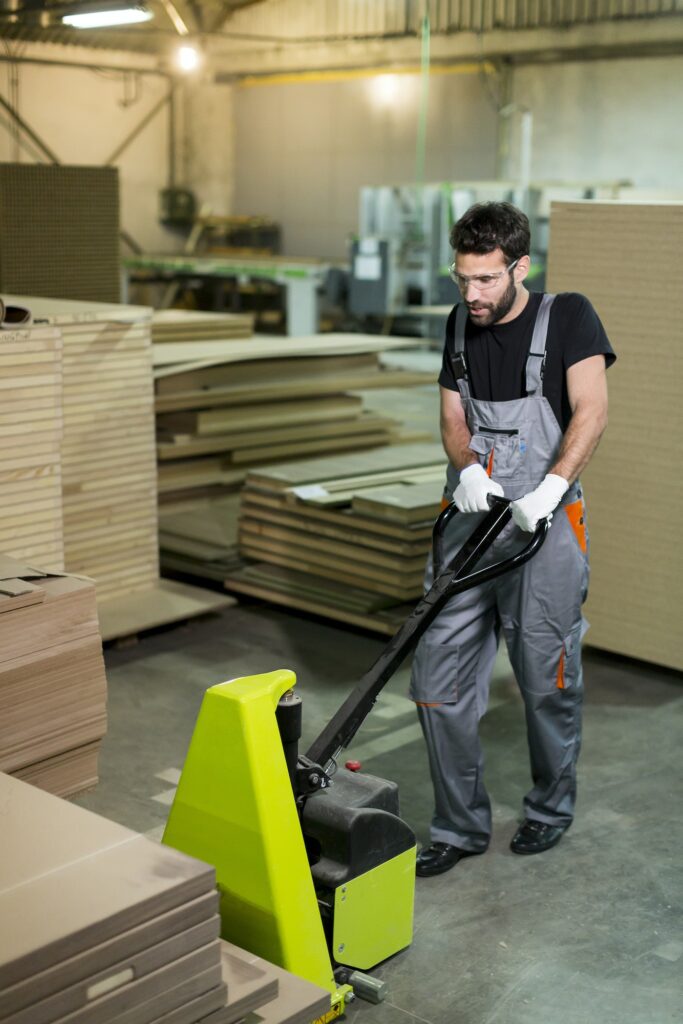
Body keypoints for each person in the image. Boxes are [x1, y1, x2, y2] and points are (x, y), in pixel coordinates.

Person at [411, 201, 615, 877]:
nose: (470, 294)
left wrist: (552, 488)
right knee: (435, 679)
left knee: (545, 679)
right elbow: (450, 414)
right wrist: (466, 468)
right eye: (461, 279)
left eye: (486, 281)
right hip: (471, 523)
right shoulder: (457, 323)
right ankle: (458, 825)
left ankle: (549, 808)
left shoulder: (569, 317)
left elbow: (590, 408)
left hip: (543, 528)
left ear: (519, 267)